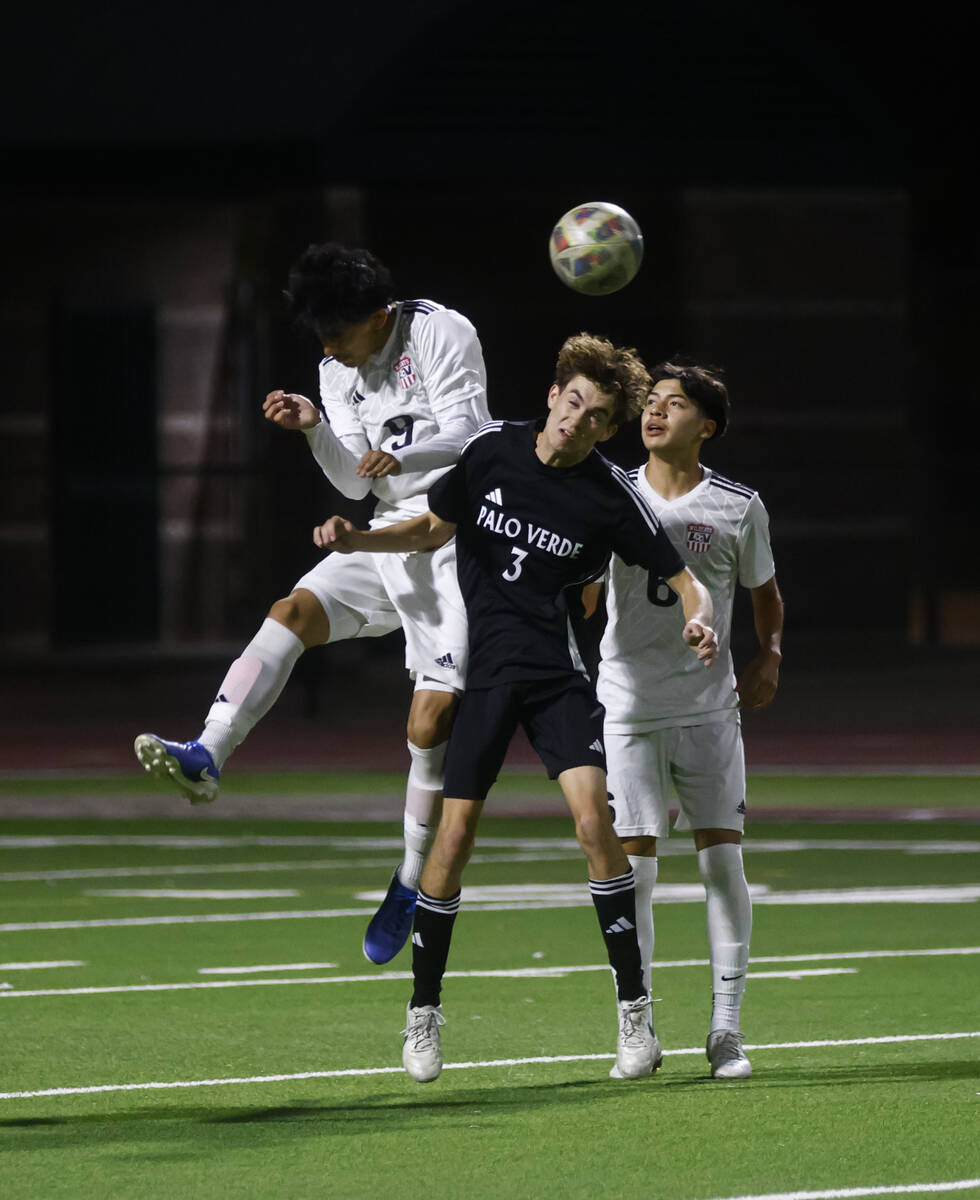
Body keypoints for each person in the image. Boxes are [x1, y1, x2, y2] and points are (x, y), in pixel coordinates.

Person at [316, 333, 719, 1083]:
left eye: (596, 415)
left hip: (560, 678)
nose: (577, 420)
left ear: (607, 428)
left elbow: (680, 574)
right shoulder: (491, 453)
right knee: (455, 836)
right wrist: (359, 537)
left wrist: (701, 616)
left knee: (595, 822)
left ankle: (637, 1015)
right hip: (488, 676)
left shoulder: (608, 495)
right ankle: (423, 1016)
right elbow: (432, 527)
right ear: (552, 396)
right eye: (572, 402)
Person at [134, 242, 491, 965]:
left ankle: (412, 878)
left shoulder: (440, 332)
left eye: (339, 332)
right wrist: (314, 431)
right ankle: (208, 752)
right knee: (290, 610)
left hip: (455, 534)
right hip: (383, 533)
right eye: (321, 335)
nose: (328, 348)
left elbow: (474, 438)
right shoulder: (335, 369)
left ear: (378, 315)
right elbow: (356, 485)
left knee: (432, 723)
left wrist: (406, 459)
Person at [590, 361, 783, 1080]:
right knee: (632, 873)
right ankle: (634, 1029)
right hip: (628, 707)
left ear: (706, 426)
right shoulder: (609, 491)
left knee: (721, 859)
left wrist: (770, 656)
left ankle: (726, 1030)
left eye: (674, 404)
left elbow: (767, 594)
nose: (654, 413)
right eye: (651, 403)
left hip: (708, 708)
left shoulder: (737, 505)